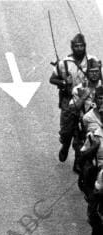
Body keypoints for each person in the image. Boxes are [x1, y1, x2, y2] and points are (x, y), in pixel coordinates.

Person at [50, 33, 98, 163]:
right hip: (69, 99)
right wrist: (63, 82)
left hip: (87, 99)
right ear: (72, 47)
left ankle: (79, 159)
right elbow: (52, 79)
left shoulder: (92, 60)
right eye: (76, 46)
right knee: (66, 131)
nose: (79, 48)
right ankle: (65, 145)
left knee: (84, 131)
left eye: (82, 46)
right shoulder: (64, 63)